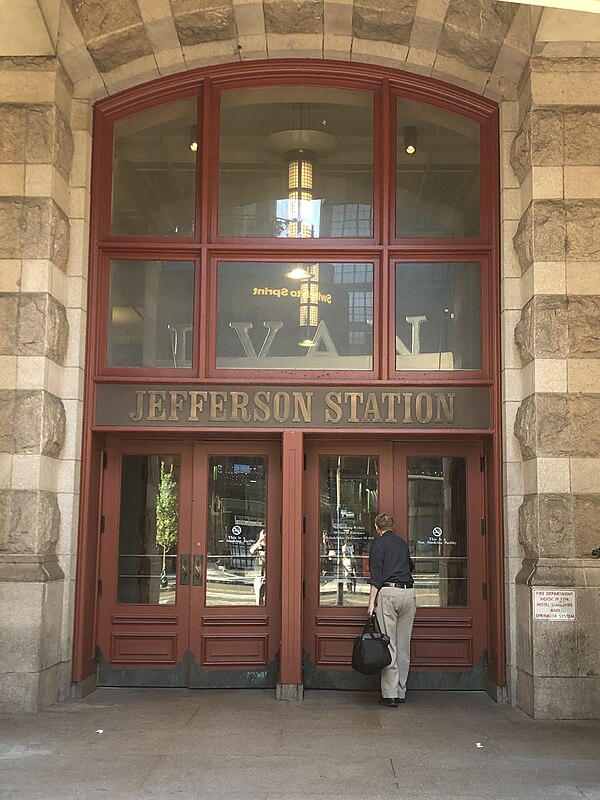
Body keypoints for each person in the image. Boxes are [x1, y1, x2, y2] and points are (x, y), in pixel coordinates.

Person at [367, 512, 416, 708]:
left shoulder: (378, 545)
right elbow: (410, 567)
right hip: (409, 593)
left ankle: (390, 694)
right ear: (392, 526)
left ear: (377, 528)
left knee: (389, 643)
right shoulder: (402, 543)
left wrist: (371, 603)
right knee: (404, 645)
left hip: (389, 592)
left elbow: (376, 577)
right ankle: (402, 690)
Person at [249, 529, 266, 605]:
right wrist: (260, 540)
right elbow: (252, 551)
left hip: (269, 575)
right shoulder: (258, 546)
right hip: (259, 575)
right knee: (259, 597)